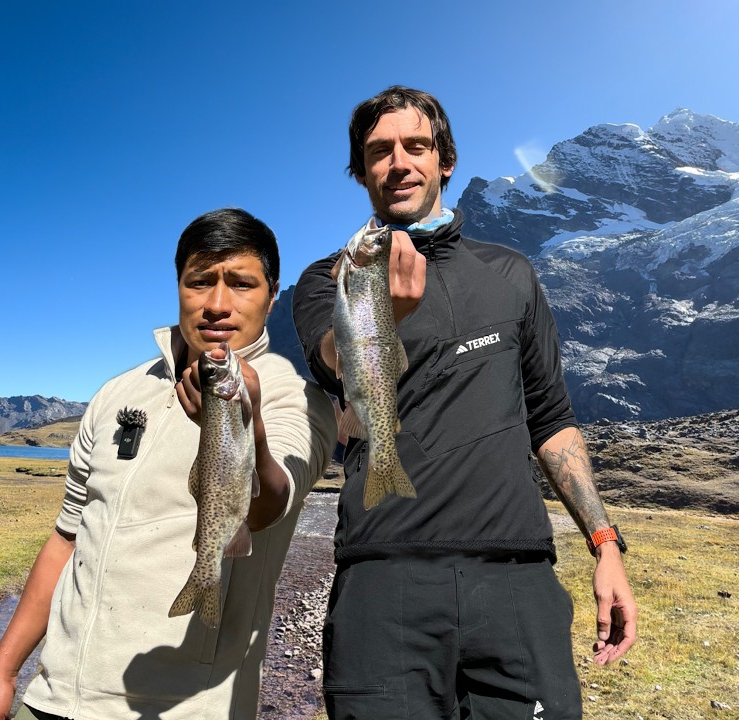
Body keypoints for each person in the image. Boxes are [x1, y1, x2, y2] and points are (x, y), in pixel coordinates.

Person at [291, 86, 638, 719]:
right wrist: (377, 316)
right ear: (361, 171)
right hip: (382, 572)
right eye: (378, 152)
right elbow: (334, 363)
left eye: (415, 146)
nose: (398, 162)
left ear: (444, 161)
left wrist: (605, 544)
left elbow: (552, 420)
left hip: (517, 577)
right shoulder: (329, 278)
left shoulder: (510, 273)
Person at [0, 208, 336, 720]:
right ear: (178, 287)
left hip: (182, 710)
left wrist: (245, 425)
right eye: (199, 281)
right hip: (53, 697)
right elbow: (68, 538)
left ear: (272, 296)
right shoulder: (117, 393)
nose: (217, 304)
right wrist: (2, 673)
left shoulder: (294, 396)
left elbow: (272, 503)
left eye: (242, 283)